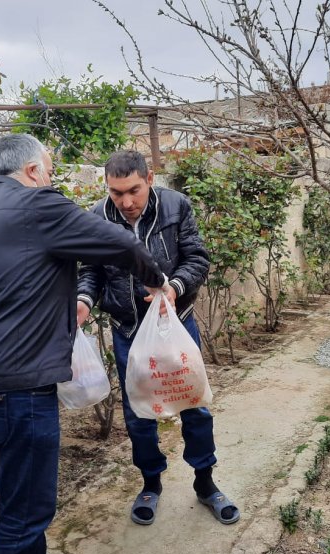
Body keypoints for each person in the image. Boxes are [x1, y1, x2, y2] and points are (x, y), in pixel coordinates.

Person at [0, 134, 166, 554]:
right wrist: (158, 280)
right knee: (25, 513)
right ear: (29, 171)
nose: (48, 178)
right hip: (18, 390)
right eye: (46, 169)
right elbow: (121, 245)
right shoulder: (36, 205)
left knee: (19, 497)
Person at [76, 150, 240, 526]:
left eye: (133, 190)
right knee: (139, 412)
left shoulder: (175, 206)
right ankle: (150, 483)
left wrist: (174, 288)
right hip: (129, 331)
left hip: (176, 324)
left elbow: (197, 258)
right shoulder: (98, 217)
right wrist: (84, 299)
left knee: (194, 405)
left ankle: (205, 482)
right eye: (117, 193)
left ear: (149, 178)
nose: (127, 202)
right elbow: (92, 271)